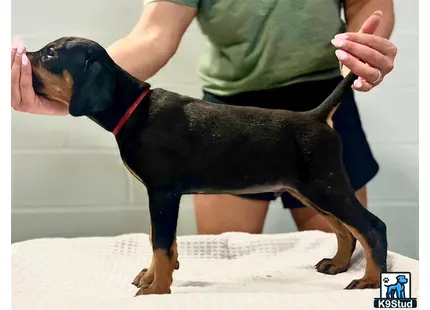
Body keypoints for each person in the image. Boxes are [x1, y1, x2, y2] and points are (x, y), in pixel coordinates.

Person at [11, 0, 397, 235]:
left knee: (350, 248)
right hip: (223, 117)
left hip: (322, 103)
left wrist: (366, 47)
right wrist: (80, 95)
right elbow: (154, 35)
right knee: (224, 269)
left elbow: (368, 4)